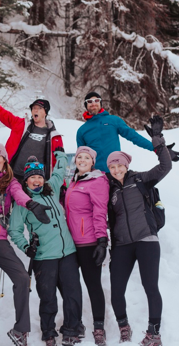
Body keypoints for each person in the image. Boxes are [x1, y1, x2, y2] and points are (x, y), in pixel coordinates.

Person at [0, 142, 52, 346]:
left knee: (22, 278)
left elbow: (19, 194)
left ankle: (20, 330)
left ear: (5, 159)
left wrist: (31, 204)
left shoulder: (10, 182)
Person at [106, 115, 172, 346]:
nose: (116, 170)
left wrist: (157, 140)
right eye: (112, 167)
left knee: (150, 287)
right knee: (116, 291)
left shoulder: (141, 180)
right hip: (123, 244)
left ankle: (154, 333)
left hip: (146, 240)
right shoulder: (110, 190)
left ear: (126, 165)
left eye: (119, 165)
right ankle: (124, 326)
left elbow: (165, 166)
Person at [9, 152, 83, 346]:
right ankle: (48, 332)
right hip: (44, 257)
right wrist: (26, 247)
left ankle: (71, 329)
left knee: (72, 293)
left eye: (39, 176)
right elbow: (14, 230)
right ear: (26, 181)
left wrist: (60, 156)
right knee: (48, 297)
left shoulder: (52, 189)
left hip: (68, 253)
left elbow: (59, 173)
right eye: (32, 177)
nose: (36, 180)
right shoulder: (23, 203)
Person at [0, 81, 63, 181]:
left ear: (45, 112)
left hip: (36, 182)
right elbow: (0, 112)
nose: (35, 110)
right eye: (33, 108)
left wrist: (60, 184)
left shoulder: (54, 137)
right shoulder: (20, 124)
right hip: (13, 176)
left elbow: (59, 164)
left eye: (39, 108)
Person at [64, 146, 109, 345]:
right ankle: (74, 325)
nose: (81, 160)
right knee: (71, 287)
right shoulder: (73, 181)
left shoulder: (97, 181)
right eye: (79, 157)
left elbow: (99, 212)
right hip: (72, 244)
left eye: (86, 158)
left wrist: (102, 240)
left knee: (93, 286)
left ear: (92, 162)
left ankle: (99, 327)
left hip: (89, 243)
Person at [76, 92, 179, 172]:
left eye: (96, 101)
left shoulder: (113, 120)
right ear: (86, 106)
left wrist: (157, 149)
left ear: (101, 103)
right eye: (89, 102)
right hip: (96, 175)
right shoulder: (82, 131)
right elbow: (82, 157)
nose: (93, 104)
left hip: (116, 172)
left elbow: (133, 136)